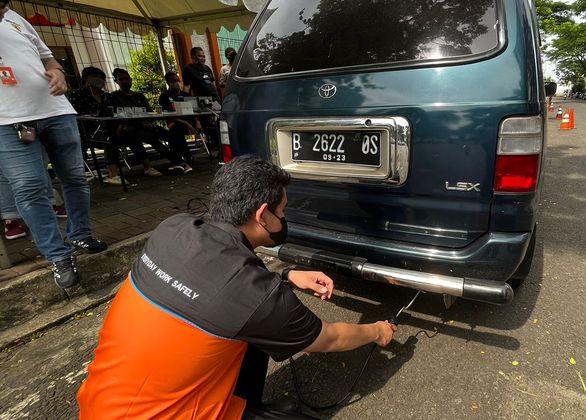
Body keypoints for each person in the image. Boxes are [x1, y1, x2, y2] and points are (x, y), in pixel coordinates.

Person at [77, 156, 396, 419]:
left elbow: (221, 287)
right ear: (262, 215)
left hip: (98, 406)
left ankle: (246, 406)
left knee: (246, 330)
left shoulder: (172, 229)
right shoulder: (256, 299)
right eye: (282, 211)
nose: (283, 218)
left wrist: (285, 276)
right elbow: (331, 338)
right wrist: (378, 330)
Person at [0, 0, 107, 288]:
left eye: (3, 3)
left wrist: (58, 72)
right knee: (30, 188)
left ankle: (81, 234)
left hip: (56, 111)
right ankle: (59, 256)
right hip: (7, 121)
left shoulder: (15, 18)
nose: (2, 7)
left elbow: (48, 58)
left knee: (75, 178)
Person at [110, 68, 186, 174]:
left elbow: (149, 112)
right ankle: (178, 162)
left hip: (147, 125)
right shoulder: (114, 97)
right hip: (131, 128)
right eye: (121, 79)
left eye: (127, 79)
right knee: (151, 138)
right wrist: (141, 124)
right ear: (116, 81)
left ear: (131, 80)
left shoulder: (139, 96)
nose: (125, 81)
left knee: (170, 135)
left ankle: (179, 158)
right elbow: (119, 116)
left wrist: (148, 123)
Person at [69, 66, 127, 185]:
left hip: (110, 128)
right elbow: (75, 116)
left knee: (131, 133)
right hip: (87, 132)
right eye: (95, 77)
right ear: (85, 78)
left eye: (101, 77)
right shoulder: (78, 95)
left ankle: (146, 166)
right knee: (110, 139)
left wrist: (120, 125)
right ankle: (113, 174)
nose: (99, 80)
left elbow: (117, 113)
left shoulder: (107, 96)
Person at [157, 71, 196, 173]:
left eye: (177, 80)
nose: (176, 82)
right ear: (168, 82)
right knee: (175, 131)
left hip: (190, 122)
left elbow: (194, 111)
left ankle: (178, 161)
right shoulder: (164, 96)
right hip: (176, 123)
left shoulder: (185, 95)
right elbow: (166, 114)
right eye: (172, 81)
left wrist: (196, 122)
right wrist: (186, 124)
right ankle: (186, 157)